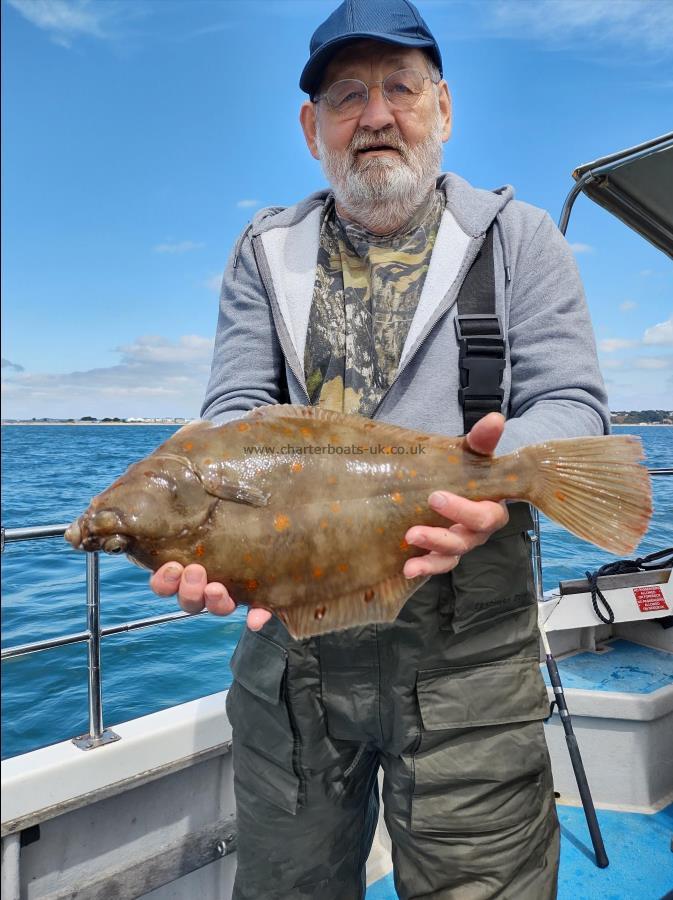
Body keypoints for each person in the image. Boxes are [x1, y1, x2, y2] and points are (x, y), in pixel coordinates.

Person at [150, 1, 609, 897]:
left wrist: (494, 476)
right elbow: (236, 407)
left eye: (400, 87)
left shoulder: (520, 240)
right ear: (309, 126)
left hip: (469, 649)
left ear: (442, 108)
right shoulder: (262, 250)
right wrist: (212, 538)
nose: (374, 115)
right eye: (346, 94)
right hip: (292, 656)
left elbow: (572, 404)